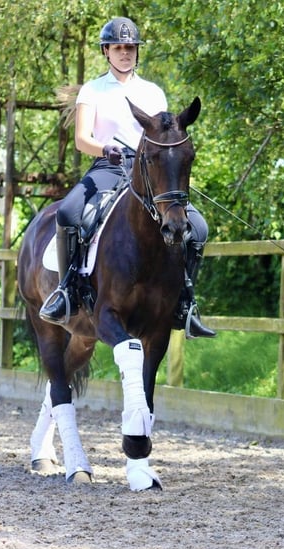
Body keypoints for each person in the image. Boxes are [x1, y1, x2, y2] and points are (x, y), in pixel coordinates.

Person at [39, 16, 215, 338]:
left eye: (131, 48)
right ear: (106, 51)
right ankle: (66, 291)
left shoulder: (152, 92)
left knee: (199, 228)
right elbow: (82, 139)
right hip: (107, 166)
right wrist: (104, 148)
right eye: (119, 48)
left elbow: (163, 137)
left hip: (148, 170)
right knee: (68, 213)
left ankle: (185, 301)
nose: (125, 53)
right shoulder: (92, 90)